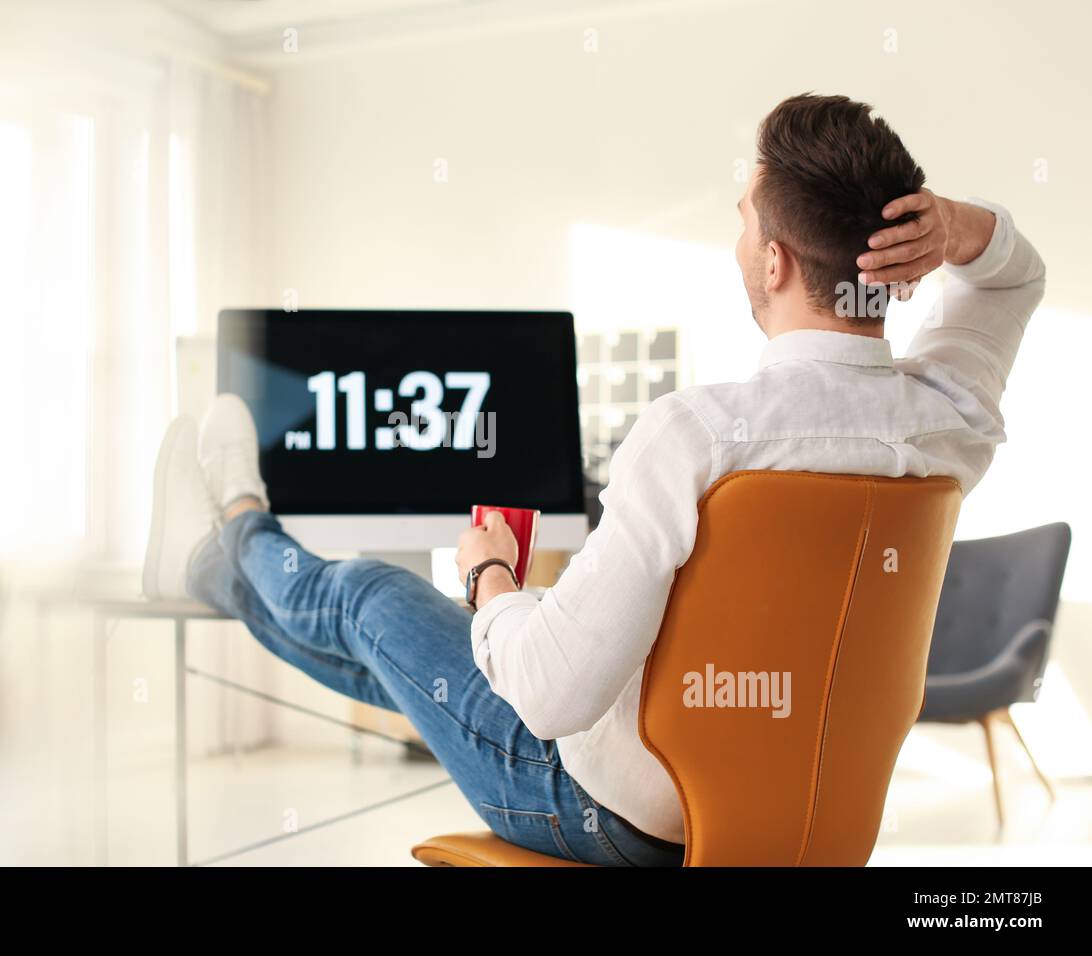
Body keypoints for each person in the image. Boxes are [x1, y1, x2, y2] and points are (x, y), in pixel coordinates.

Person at [141, 93, 1045, 865]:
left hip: (615, 821)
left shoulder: (697, 435)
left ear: (773, 260)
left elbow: (549, 694)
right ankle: (217, 552)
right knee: (414, 661)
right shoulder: (948, 419)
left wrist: (490, 577)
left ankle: (236, 523)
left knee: (369, 601)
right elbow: (1012, 279)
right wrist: (960, 227)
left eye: (744, 216)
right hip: (812, 820)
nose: (739, 236)